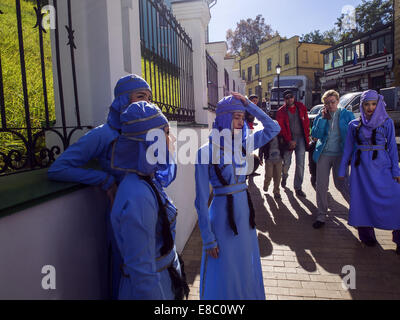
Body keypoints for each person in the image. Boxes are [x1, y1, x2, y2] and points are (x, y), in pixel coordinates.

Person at [47, 74, 164, 299]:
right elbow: (58, 168)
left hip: (149, 205)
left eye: (149, 99)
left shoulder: (142, 130)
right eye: (140, 97)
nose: (146, 104)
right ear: (121, 100)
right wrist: (105, 180)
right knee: (127, 270)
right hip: (123, 210)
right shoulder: (103, 135)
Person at [194, 92, 281, 300]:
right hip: (222, 217)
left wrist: (249, 105)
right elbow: (200, 199)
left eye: (242, 117)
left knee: (244, 262)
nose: (240, 122)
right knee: (224, 264)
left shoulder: (245, 143)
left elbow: (273, 127)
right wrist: (207, 238)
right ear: (223, 118)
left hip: (245, 213)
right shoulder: (205, 152)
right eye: (236, 116)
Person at [110, 101, 189, 299]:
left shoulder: (147, 180)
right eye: (165, 132)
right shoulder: (138, 195)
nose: (170, 139)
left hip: (166, 281)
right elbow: (142, 274)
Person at [338, 90, 400, 253]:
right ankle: (367, 237)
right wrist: (342, 168)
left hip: (382, 167)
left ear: (378, 104)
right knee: (361, 202)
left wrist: (396, 170)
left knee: (395, 199)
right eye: (366, 104)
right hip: (360, 170)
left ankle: (399, 239)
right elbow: (348, 148)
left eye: (373, 104)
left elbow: (393, 148)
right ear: (362, 105)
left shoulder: (387, 122)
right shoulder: (354, 125)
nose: (370, 108)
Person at [311, 90, 354, 229]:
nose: (330, 105)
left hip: (340, 154)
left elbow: (353, 136)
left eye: (333, 102)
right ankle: (321, 215)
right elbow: (315, 135)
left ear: (338, 101)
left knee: (341, 184)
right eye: (327, 103)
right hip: (324, 153)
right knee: (321, 185)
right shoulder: (321, 115)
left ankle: (356, 212)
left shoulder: (347, 114)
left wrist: (352, 155)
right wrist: (323, 119)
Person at [276, 90, 310, 197]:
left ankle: (298, 187)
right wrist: (289, 140)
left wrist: (307, 135)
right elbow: (281, 128)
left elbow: (306, 122)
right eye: (287, 98)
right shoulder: (281, 111)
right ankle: (284, 176)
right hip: (288, 140)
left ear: (294, 97)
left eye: (291, 97)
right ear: (284, 99)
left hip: (300, 138)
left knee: (300, 164)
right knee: (286, 163)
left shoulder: (301, 107)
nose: (289, 99)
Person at [259, 134, 285, 200]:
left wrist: (284, 157)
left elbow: (284, 145)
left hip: (279, 159)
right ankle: (266, 185)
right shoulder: (266, 135)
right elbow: (261, 147)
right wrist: (260, 157)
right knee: (269, 175)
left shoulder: (280, 135)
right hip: (269, 159)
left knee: (278, 176)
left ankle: (276, 191)